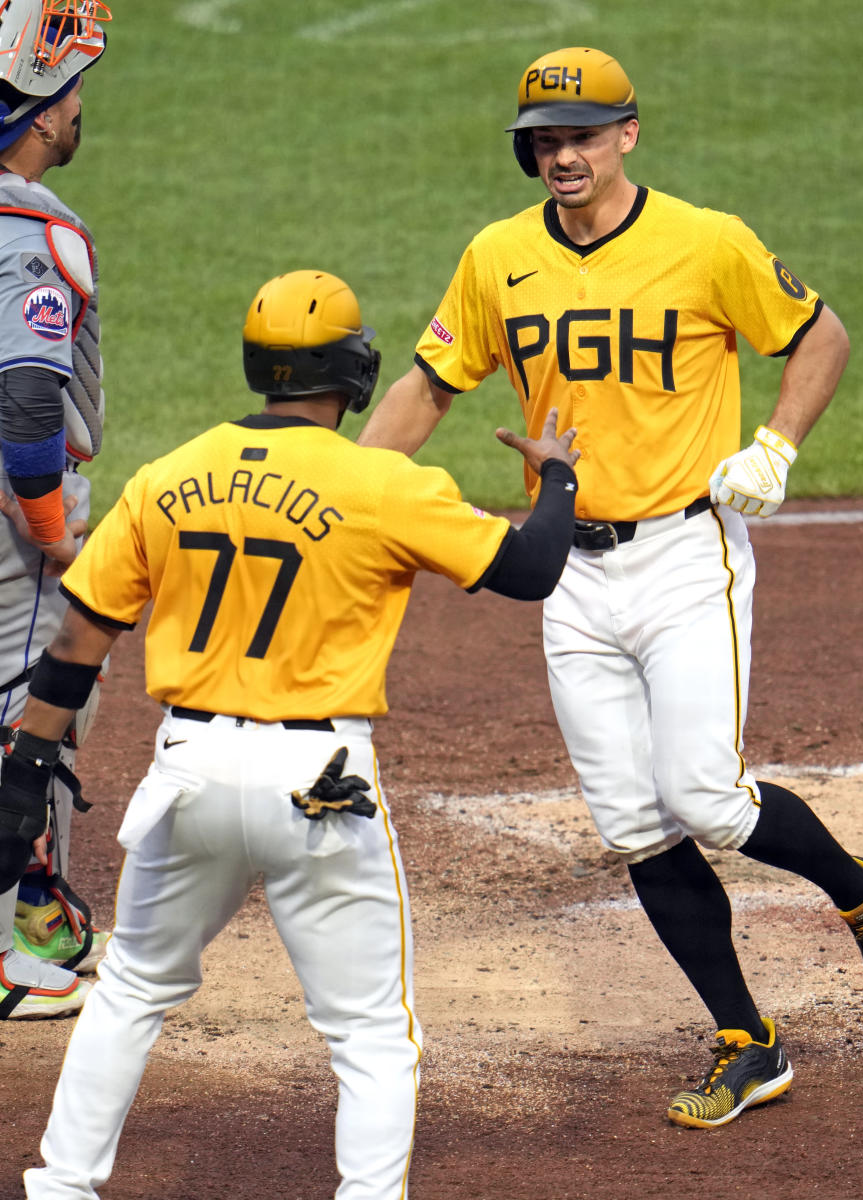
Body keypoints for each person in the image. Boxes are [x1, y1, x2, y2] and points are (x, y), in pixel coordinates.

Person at [358, 46, 863, 1128]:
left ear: (628, 135)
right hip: (567, 566)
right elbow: (432, 384)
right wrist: (352, 481)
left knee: (707, 796)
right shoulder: (496, 257)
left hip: (683, 556)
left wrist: (775, 446)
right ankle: (747, 1042)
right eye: (543, 138)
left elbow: (822, 335)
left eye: (580, 134)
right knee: (633, 823)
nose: (561, 154)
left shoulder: (705, 244)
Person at [10, 267, 579, 1198]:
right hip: (317, 781)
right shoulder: (380, 483)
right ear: (355, 374)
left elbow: (77, 641)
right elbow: (531, 568)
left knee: (131, 989)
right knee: (367, 1030)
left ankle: (63, 1187)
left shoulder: (169, 475)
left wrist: (28, 767)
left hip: (185, 773)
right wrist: (556, 473)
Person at [0, 0, 112, 1020]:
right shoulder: (32, 226)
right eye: (74, 93)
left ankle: (34, 905)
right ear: (43, 112)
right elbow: (30, 404)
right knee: (27, 708)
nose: (82, 109)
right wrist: (56, 539)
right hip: (12, 520)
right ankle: (8, 943)